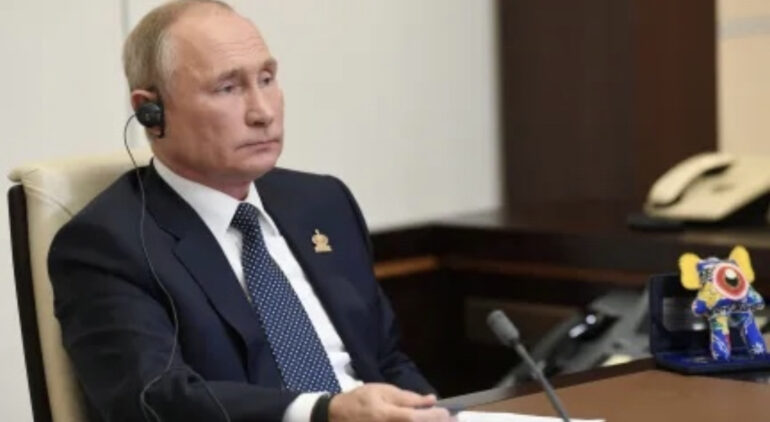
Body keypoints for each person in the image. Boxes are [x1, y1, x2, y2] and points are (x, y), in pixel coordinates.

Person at [47, 1, 453, 421]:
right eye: (227, 87)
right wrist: (323, 412)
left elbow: (385, 358)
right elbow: (154, 398)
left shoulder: (323, 202)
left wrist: (432, 412)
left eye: (266, 79)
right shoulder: (107, 245)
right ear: (152, 113)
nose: (263, 112)